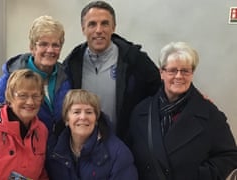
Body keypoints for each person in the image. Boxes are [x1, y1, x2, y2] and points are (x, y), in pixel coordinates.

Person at [128, 42, 237, 180]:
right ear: (162, 73)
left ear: (192, 74)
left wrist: (200, 176)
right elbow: (129, 154)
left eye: (185, 71)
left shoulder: (209, 114)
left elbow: (229, 156)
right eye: (173, 70)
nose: (179, 76)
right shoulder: (141, 111)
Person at [63, 0, 161, 141]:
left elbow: (162, 87)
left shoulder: (134, 59)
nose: (98, 30)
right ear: (83, 29)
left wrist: (190, 93)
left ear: (113, 27)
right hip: (85, 147)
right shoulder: (73, 63)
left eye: (104, 23)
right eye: (92, 24)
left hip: (125, 145)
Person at [0, 15, 71, 147]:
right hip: (24, 151)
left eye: (55, 45)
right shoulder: (12, 77)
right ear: (32, 48)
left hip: (58, 154)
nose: (50, 50)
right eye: (43, 44)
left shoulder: (66, 77)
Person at [46, 89, 138, 180]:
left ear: (96, 119)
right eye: (77, 112)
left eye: (89, 112)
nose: (83, 117)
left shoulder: (119, 153)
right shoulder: (54, 150)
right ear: (66, 119)